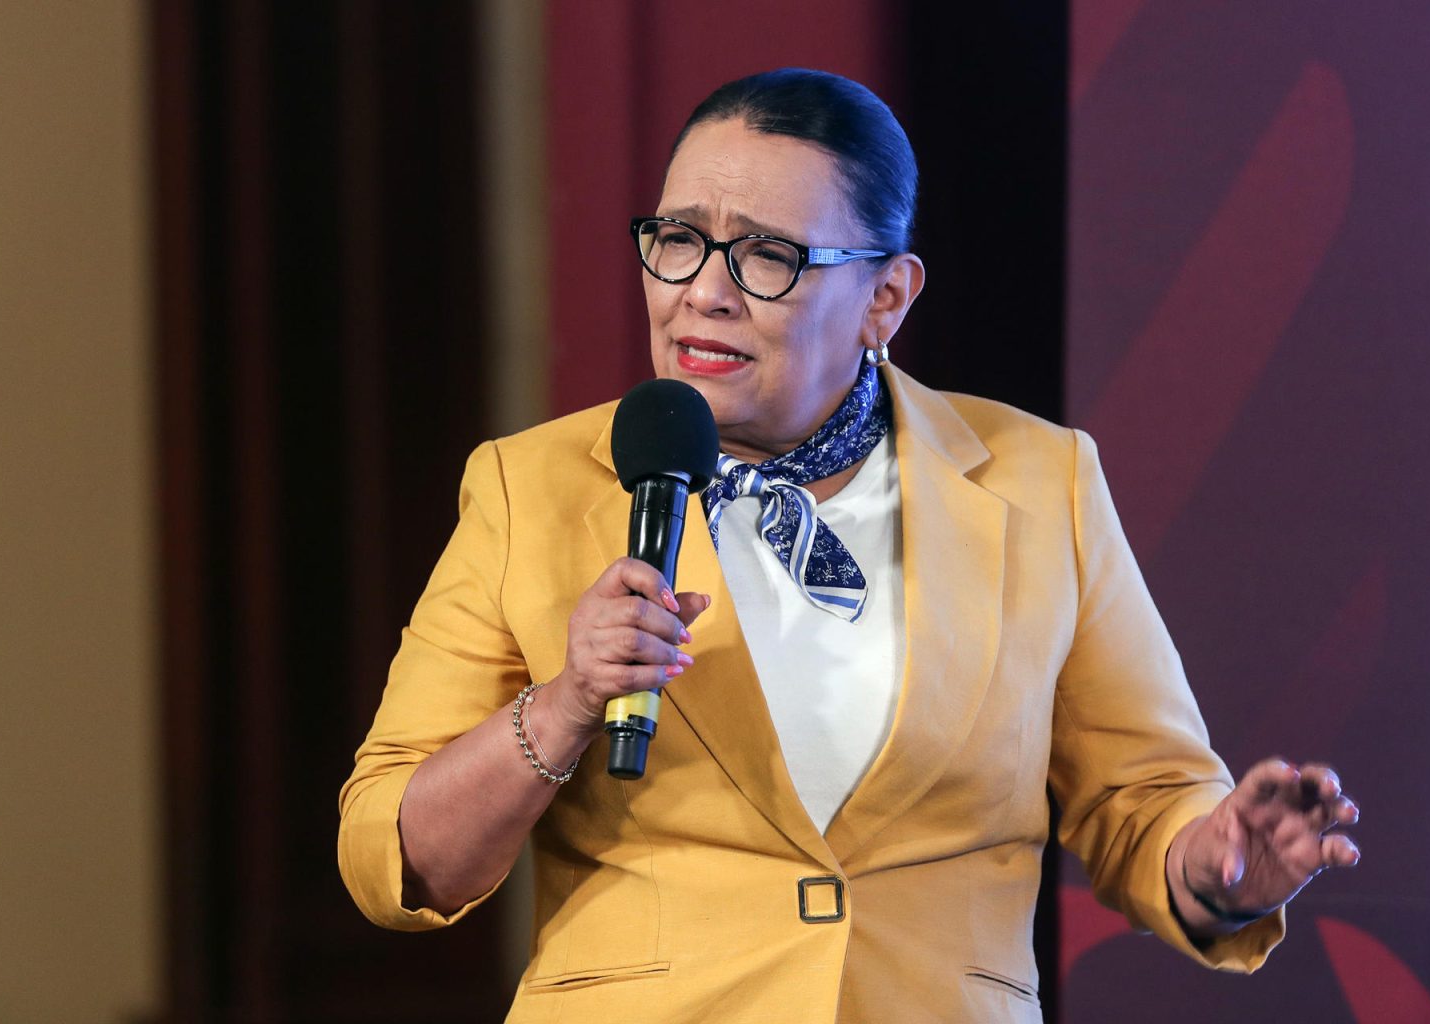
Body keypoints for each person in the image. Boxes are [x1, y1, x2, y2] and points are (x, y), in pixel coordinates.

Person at [338, 68, 1360, 1023]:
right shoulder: (535, 488)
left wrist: (1214, 862)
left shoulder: (1042, 482)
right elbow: (391, 854)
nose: (705, 290)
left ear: (887, 298)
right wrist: (561, 707)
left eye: (768, 256)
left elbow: (1141, 799)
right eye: (679, 240)